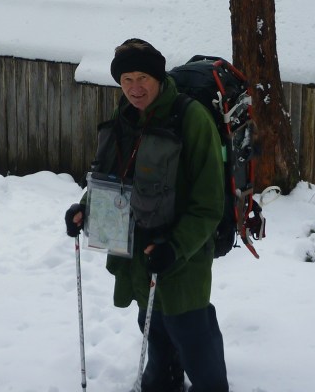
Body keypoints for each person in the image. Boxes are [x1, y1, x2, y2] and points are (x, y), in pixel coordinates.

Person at [65, 38, 229, 392]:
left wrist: (176, 247)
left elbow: (209, 203)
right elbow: (111, 176)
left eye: (142, 78)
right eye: (126, 80)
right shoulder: (124, 115)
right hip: (136, 248)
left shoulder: (191, 119)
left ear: (158, 77)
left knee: (190, 327)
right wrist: (85, 208)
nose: (135, 89)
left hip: (182, 251)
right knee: (152, 322)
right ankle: (163, 383)